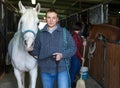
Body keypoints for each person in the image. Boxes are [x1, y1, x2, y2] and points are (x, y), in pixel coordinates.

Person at [30, 8, 76, 88]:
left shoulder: (65, 32)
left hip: (62, 69)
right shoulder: (40, 34)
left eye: (53, 18)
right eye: (49, 17)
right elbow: (36, 51)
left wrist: (62, 55)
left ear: (57, 19)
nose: (51, 20)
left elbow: (73, 48)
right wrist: (29, 49)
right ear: (46, 18)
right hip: (45, 70)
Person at [70, 22, 86, 88]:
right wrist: (81, 57)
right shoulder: (74, 36)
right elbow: (75, 49)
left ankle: (73, 81)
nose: (82, 29)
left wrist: (84, 40)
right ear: (79, 28)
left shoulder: (77, 35)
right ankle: (70, 84)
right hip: (74, 55)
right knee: (74, 70)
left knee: (77, 69)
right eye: (81, 27)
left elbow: (80, 41)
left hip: (76, 55)